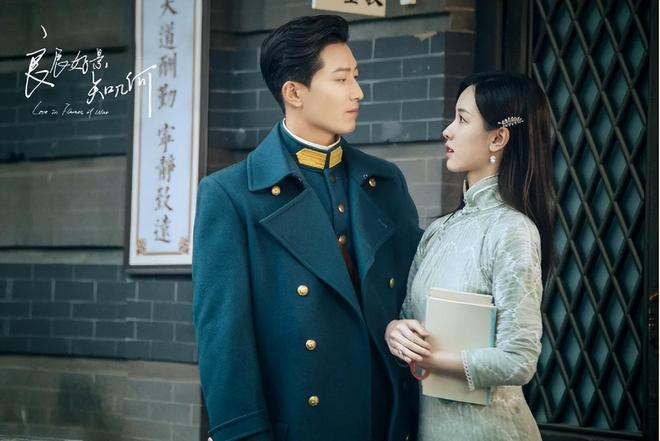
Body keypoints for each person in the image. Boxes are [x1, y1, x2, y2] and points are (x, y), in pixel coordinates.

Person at [193, 15, 422, 441]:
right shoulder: (230, 196)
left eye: (356, 77)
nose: (357, 92)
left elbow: (413, 297)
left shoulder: (384, 182)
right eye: (341, 79)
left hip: (384, 424)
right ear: (294, 92)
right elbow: (224, 342)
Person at [384, 72, 554, 441]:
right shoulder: (439, 230)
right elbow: (409, 318)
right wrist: (395, 331)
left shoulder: (513, 230)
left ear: (498, 137)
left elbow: (519, 360)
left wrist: (430, 361)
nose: (447, 131)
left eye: (462, 120)